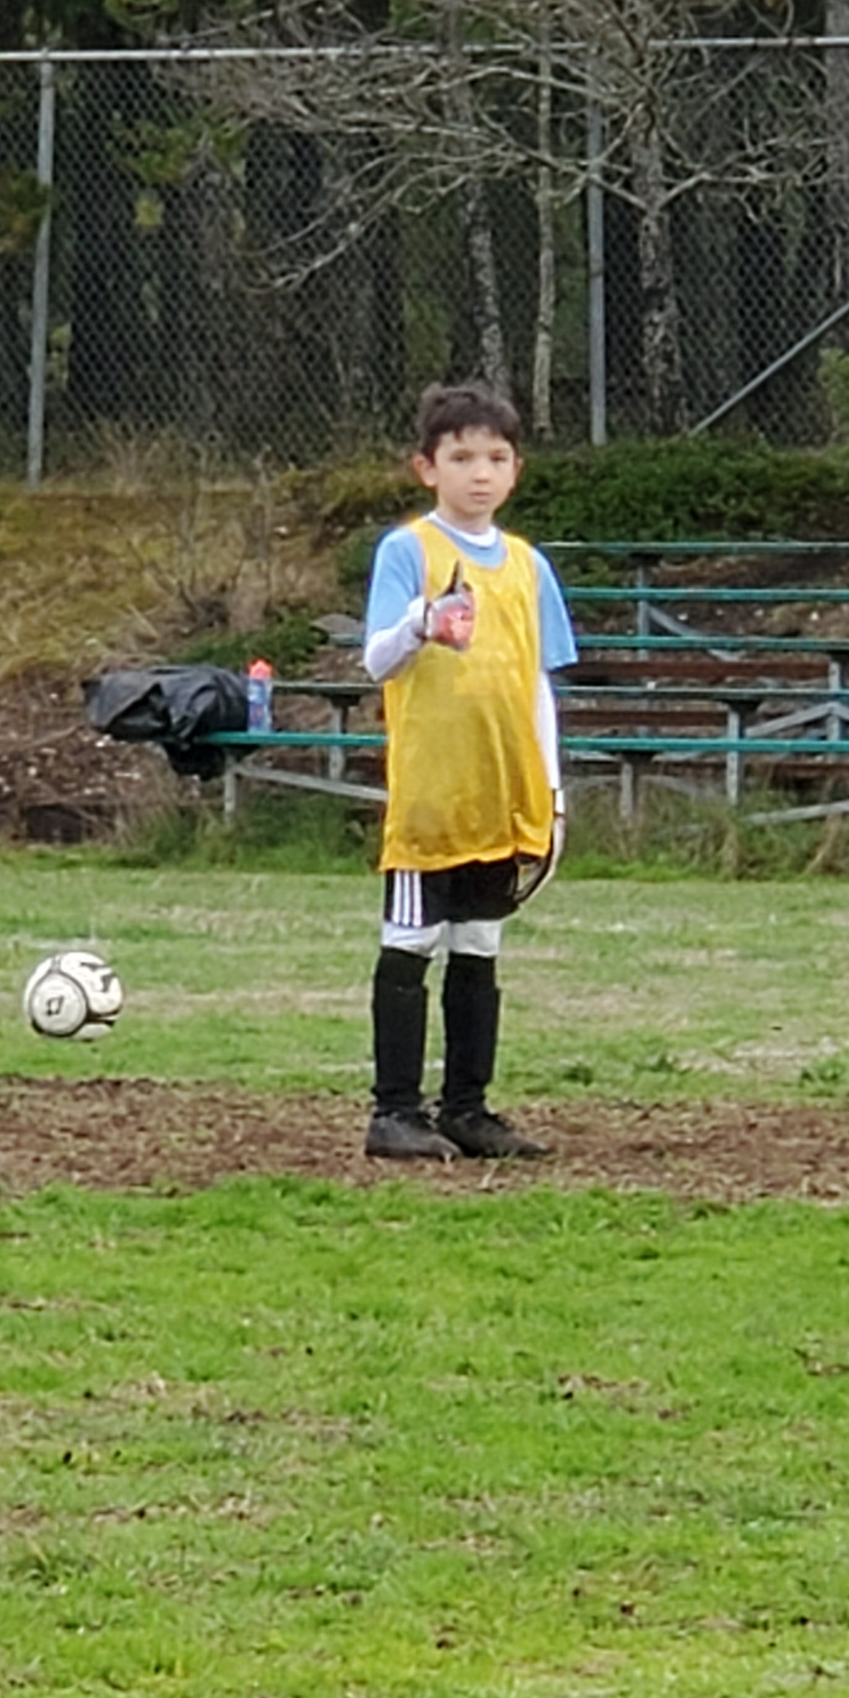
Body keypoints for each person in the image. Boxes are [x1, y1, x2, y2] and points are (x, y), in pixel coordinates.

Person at [362, 380, 577, 1161]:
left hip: (502, 789)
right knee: (411, 939)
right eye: (460, 457)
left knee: (479, 942)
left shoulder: (527, 566)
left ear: (515, 470)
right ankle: (393, 1111)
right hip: (432, 793)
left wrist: (552, 790)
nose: (479, 472)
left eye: (495, 457)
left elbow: (538, 682)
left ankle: (467, 1108)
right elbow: (376, 659)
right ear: (427, 468)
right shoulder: (409, 551)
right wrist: (421, 623)